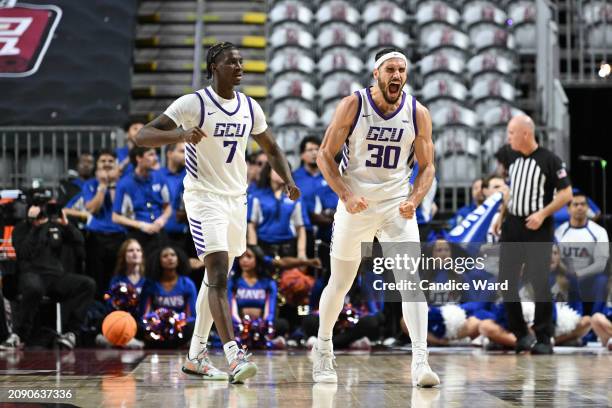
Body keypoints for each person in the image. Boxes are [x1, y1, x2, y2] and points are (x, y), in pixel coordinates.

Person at [133, 41, 300, 383]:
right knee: (220, 273)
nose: (239, 67)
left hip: (236, 199)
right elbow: (142, 135)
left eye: (241, 62)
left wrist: (288, 179)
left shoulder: (250, 107)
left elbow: (271, 146)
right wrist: (180, 135)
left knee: (214, 279)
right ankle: (233, 355)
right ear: (214, 67)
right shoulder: (193, 103)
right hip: (203, 197)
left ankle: (195, 356)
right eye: (231, 62)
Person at [313, 47, 439, 386]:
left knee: (411, 283)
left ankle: (420, 362)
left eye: (401, 70)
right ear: (376, 74)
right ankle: (323, 349)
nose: (397, 76)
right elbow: (324, 155)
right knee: (340, 283)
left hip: (397, 205)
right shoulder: (353, 105)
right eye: (390, 70)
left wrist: (415, 197)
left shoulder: (418, 113)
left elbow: (428, 167)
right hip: (358, 203)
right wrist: (346, 194)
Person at [492, 114, 573, 354]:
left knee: (539, 282)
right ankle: (521, 334)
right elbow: (510, 190)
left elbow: (566, 194)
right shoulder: (509, 155)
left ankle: (544, 337)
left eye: (511, 133)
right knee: (505, 281)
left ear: (525, 134)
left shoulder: (550, 160)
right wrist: (501, 215)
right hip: (513, 225)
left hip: (537, 227)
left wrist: (543, 213)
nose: (508, 138)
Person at [0, 206, 96, 350]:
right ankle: (18, 335)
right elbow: (23, 253)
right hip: (29, 274)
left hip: (55, 277)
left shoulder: (56, 227)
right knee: (34, 287)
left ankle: (71, 333)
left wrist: (66, 225)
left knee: (88, 284)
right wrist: (34, 226)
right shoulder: (21, 228)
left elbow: (79, 243)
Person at [554, 192, 609, 315]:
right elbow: (555, 260)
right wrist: (567, 273)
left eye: (583, 204)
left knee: (602, 281)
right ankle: (564, 321)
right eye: (575, 204)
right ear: (568, 209)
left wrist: (578, 274)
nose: (579, 207)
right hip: (565, 275)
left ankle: (595, 322)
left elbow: (601, 264)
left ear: (588, 208)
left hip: (590, 277)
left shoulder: (599, 231)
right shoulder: (559, 232)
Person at [112, 146, 171, 255]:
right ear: (139, 158)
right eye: (151, 154)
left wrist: (163, 219)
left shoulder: (160, 178)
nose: (156, 158)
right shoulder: (124, 183)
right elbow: (115, 217)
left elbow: (168, 206)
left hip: (159, 232)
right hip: (137, 235)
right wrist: (142, 225)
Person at [83, 149, 126, 298]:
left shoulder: (124, 183)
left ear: (116, 164)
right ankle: (97, 312)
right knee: (97, 277)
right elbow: (93, 209)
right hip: (97, 237)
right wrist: (102, 185)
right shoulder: (89, 184)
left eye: (110, 161)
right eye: (103, 161)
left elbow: (118, 209)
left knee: (118, 275)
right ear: (97, 165)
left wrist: (113, 184)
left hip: (119, 236)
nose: (107, 164)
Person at [228, 245, 289, 347]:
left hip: (263, 325)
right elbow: (231, 308)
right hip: (238, 325)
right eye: (241, 257)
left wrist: (264, 324)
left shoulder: (268, 282)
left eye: (249, 257)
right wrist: (239, 325)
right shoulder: (233, 282)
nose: (244, 260)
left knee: (282, 324)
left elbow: (271, 309)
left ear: (257, 259)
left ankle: (268, 339)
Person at [140, 246, 197, 348]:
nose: (170, 258)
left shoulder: (187, 284)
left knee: (193, 324)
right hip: (156, 330)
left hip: (180, 330)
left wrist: (176, 324)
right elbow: (145, 314)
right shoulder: (150, 284)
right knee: (138, 324)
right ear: (159, 261)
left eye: (173, 255)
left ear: (178, 259)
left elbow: (191, 316)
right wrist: (156, 325)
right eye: (165, 256)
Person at [247, 162, 307, 258]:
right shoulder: (257, 196)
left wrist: (301, 253)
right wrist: (254, 249)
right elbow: (251, 225)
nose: (281, 173)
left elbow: (300, 227)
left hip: (288, 248)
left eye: (284, 171)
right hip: (264, 248)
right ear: (268, 173)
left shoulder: (295, 197)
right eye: (277, 170)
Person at [95, 238, 146, 349]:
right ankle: (121, 338)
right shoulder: (117, 279)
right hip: (120, 317)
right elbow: (109, 302)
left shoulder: (147, 280)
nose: (135, 253)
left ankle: (117, 340)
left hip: (139, 319)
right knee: (101, 319)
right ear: (124, 255)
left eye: (138, 250)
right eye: (130, 250)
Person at [292, 136, 323, 257]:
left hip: (330, 230)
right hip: (304, 232)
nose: (315, 153)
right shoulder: (294, 177)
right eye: (310, 150)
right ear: (301, 155)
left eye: (317, 149)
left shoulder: (331, 175)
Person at [157, 143, 189, 250]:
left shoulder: (190, 176)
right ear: (169, 154)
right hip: (161, 233)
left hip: (188, 234)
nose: (187, 155)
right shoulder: (157, 176)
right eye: (182, 151)